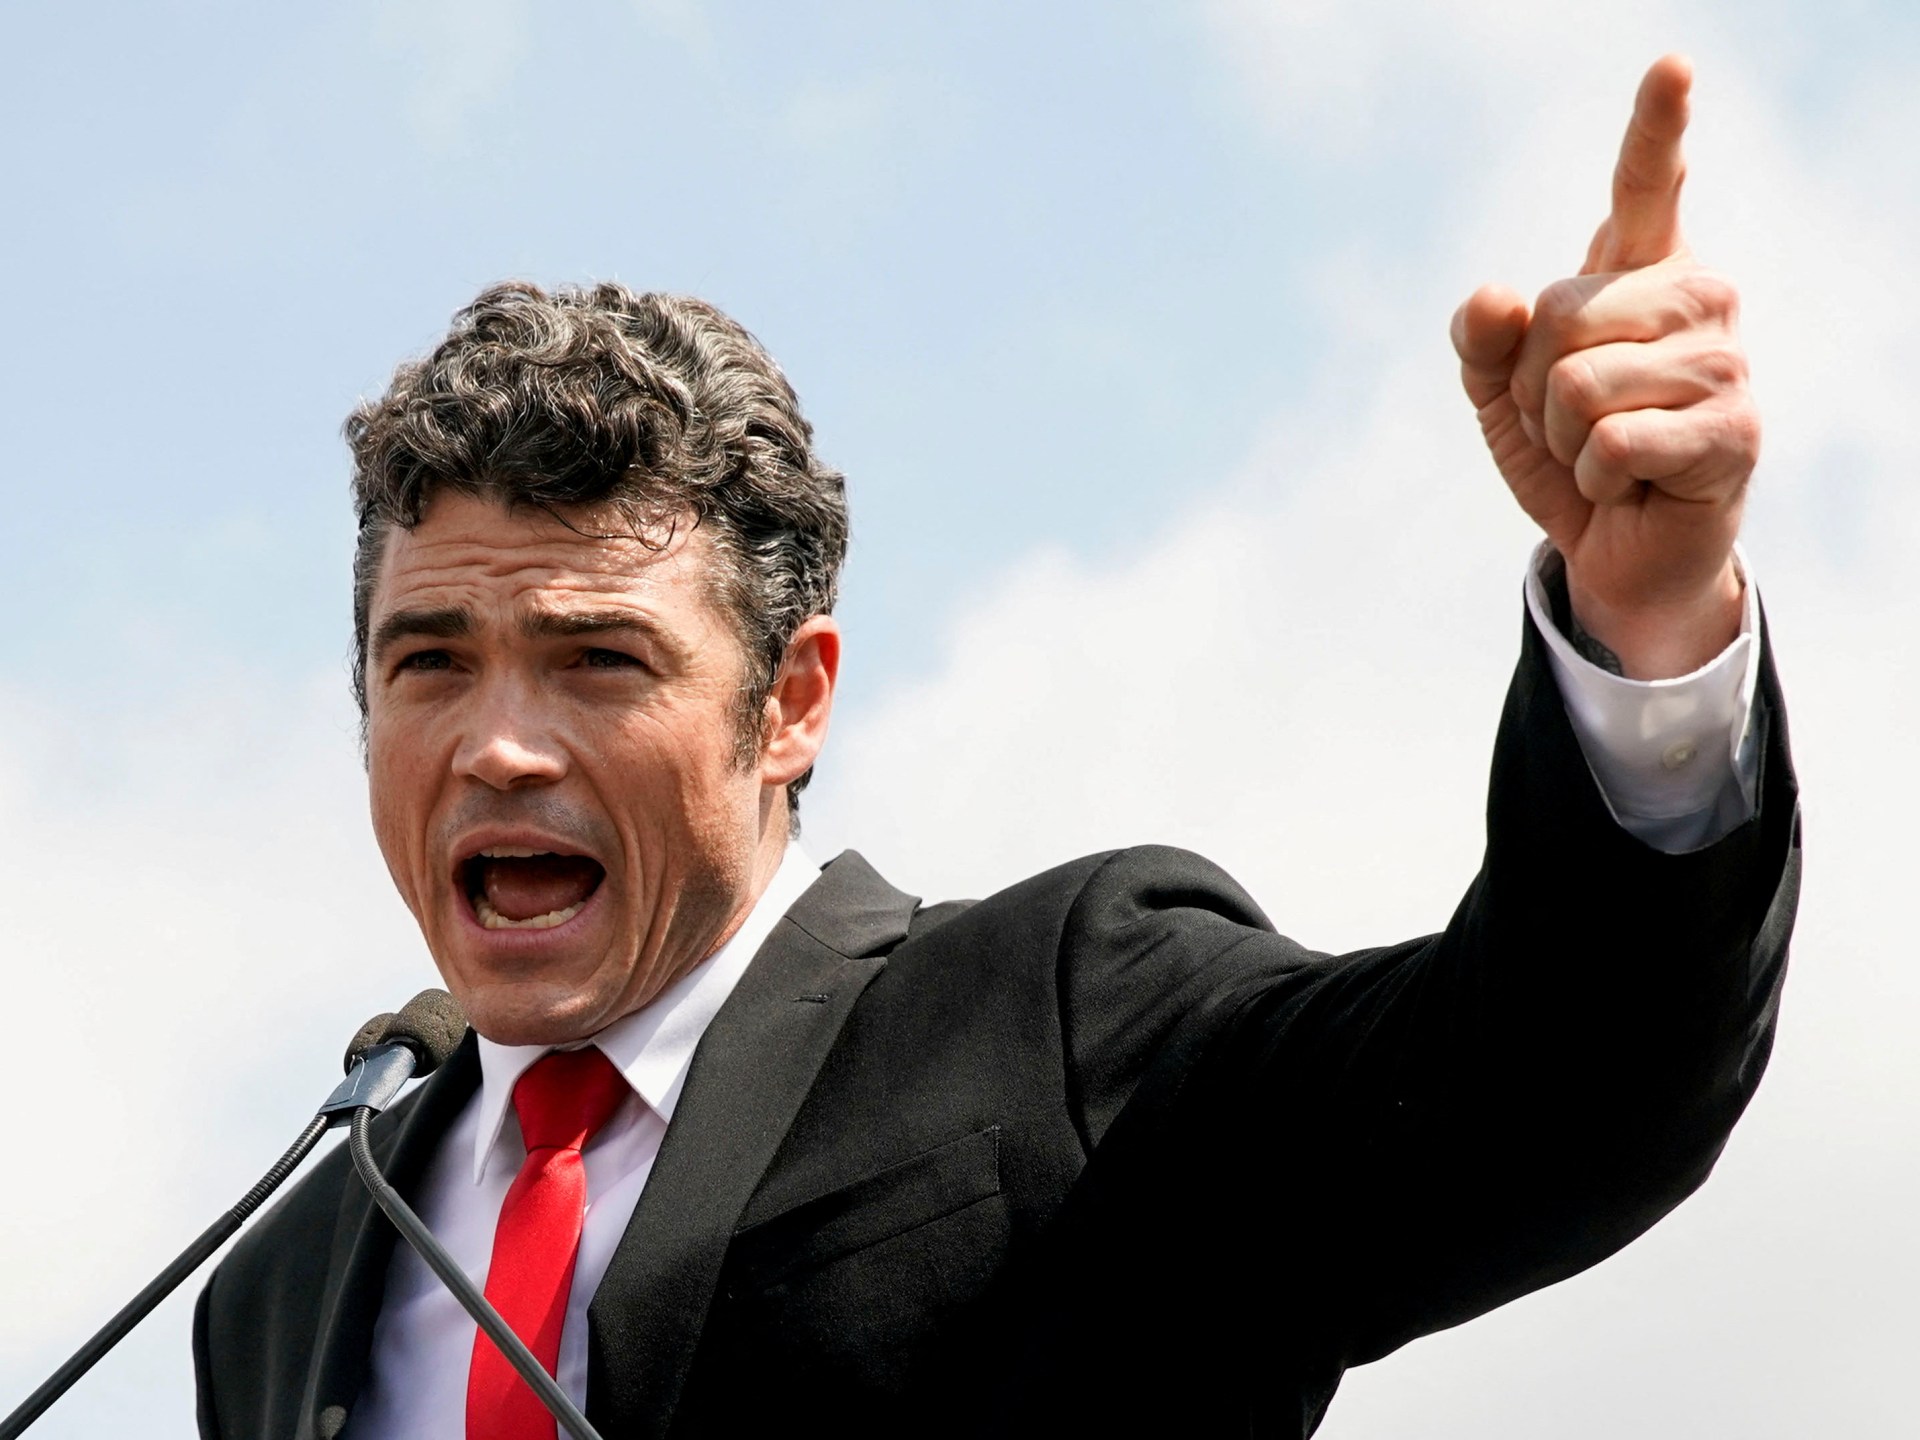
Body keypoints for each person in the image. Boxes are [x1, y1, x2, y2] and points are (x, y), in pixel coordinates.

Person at [192, 56, 1799, 1439]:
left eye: (598, 659)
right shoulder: (283, 1277)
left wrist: (1649, 623)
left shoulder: (1059, 1015)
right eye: (429, 664)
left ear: (790, 703)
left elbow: (1552, 1094)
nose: (497, 746)